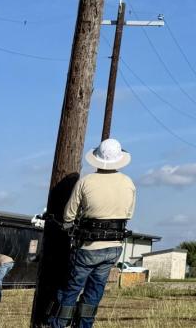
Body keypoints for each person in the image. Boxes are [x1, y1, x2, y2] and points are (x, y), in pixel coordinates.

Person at [49, 138, 137, 328]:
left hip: (88, 247)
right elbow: (129, 213)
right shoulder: (128, 183)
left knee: (70, 289)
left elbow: (68, 215)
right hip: (113, 248)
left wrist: (69, 225)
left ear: (97, 158)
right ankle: (84, 324)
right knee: (95, 291)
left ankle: (59, 324)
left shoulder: (86, 181)